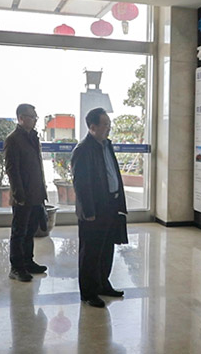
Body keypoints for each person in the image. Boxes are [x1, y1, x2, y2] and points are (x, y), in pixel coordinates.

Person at [71, 107, 128, 308]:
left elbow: (112, 173)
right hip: (94, 208)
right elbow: (81, 184)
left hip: (110, 204)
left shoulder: (106, 145)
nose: (108, 128)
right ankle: (88, 293)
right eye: (105, 124)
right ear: (92, 127)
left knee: (106, 248)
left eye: (109, 124)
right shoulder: (83, 150)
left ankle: (103, 284)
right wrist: (89, 211)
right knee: (91, 252)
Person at [4, 103, 48, 282]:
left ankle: (28, 262)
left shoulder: (33, 137)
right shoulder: (13, 139)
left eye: (36, 116)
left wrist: (43, 191)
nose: (35, 120)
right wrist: (19, 194)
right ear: (21, 118)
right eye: (32, 116)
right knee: (19, 232)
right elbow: (12, 169)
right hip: (22, 196)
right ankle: (16, 267)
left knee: (30, 231)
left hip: (36, 193)